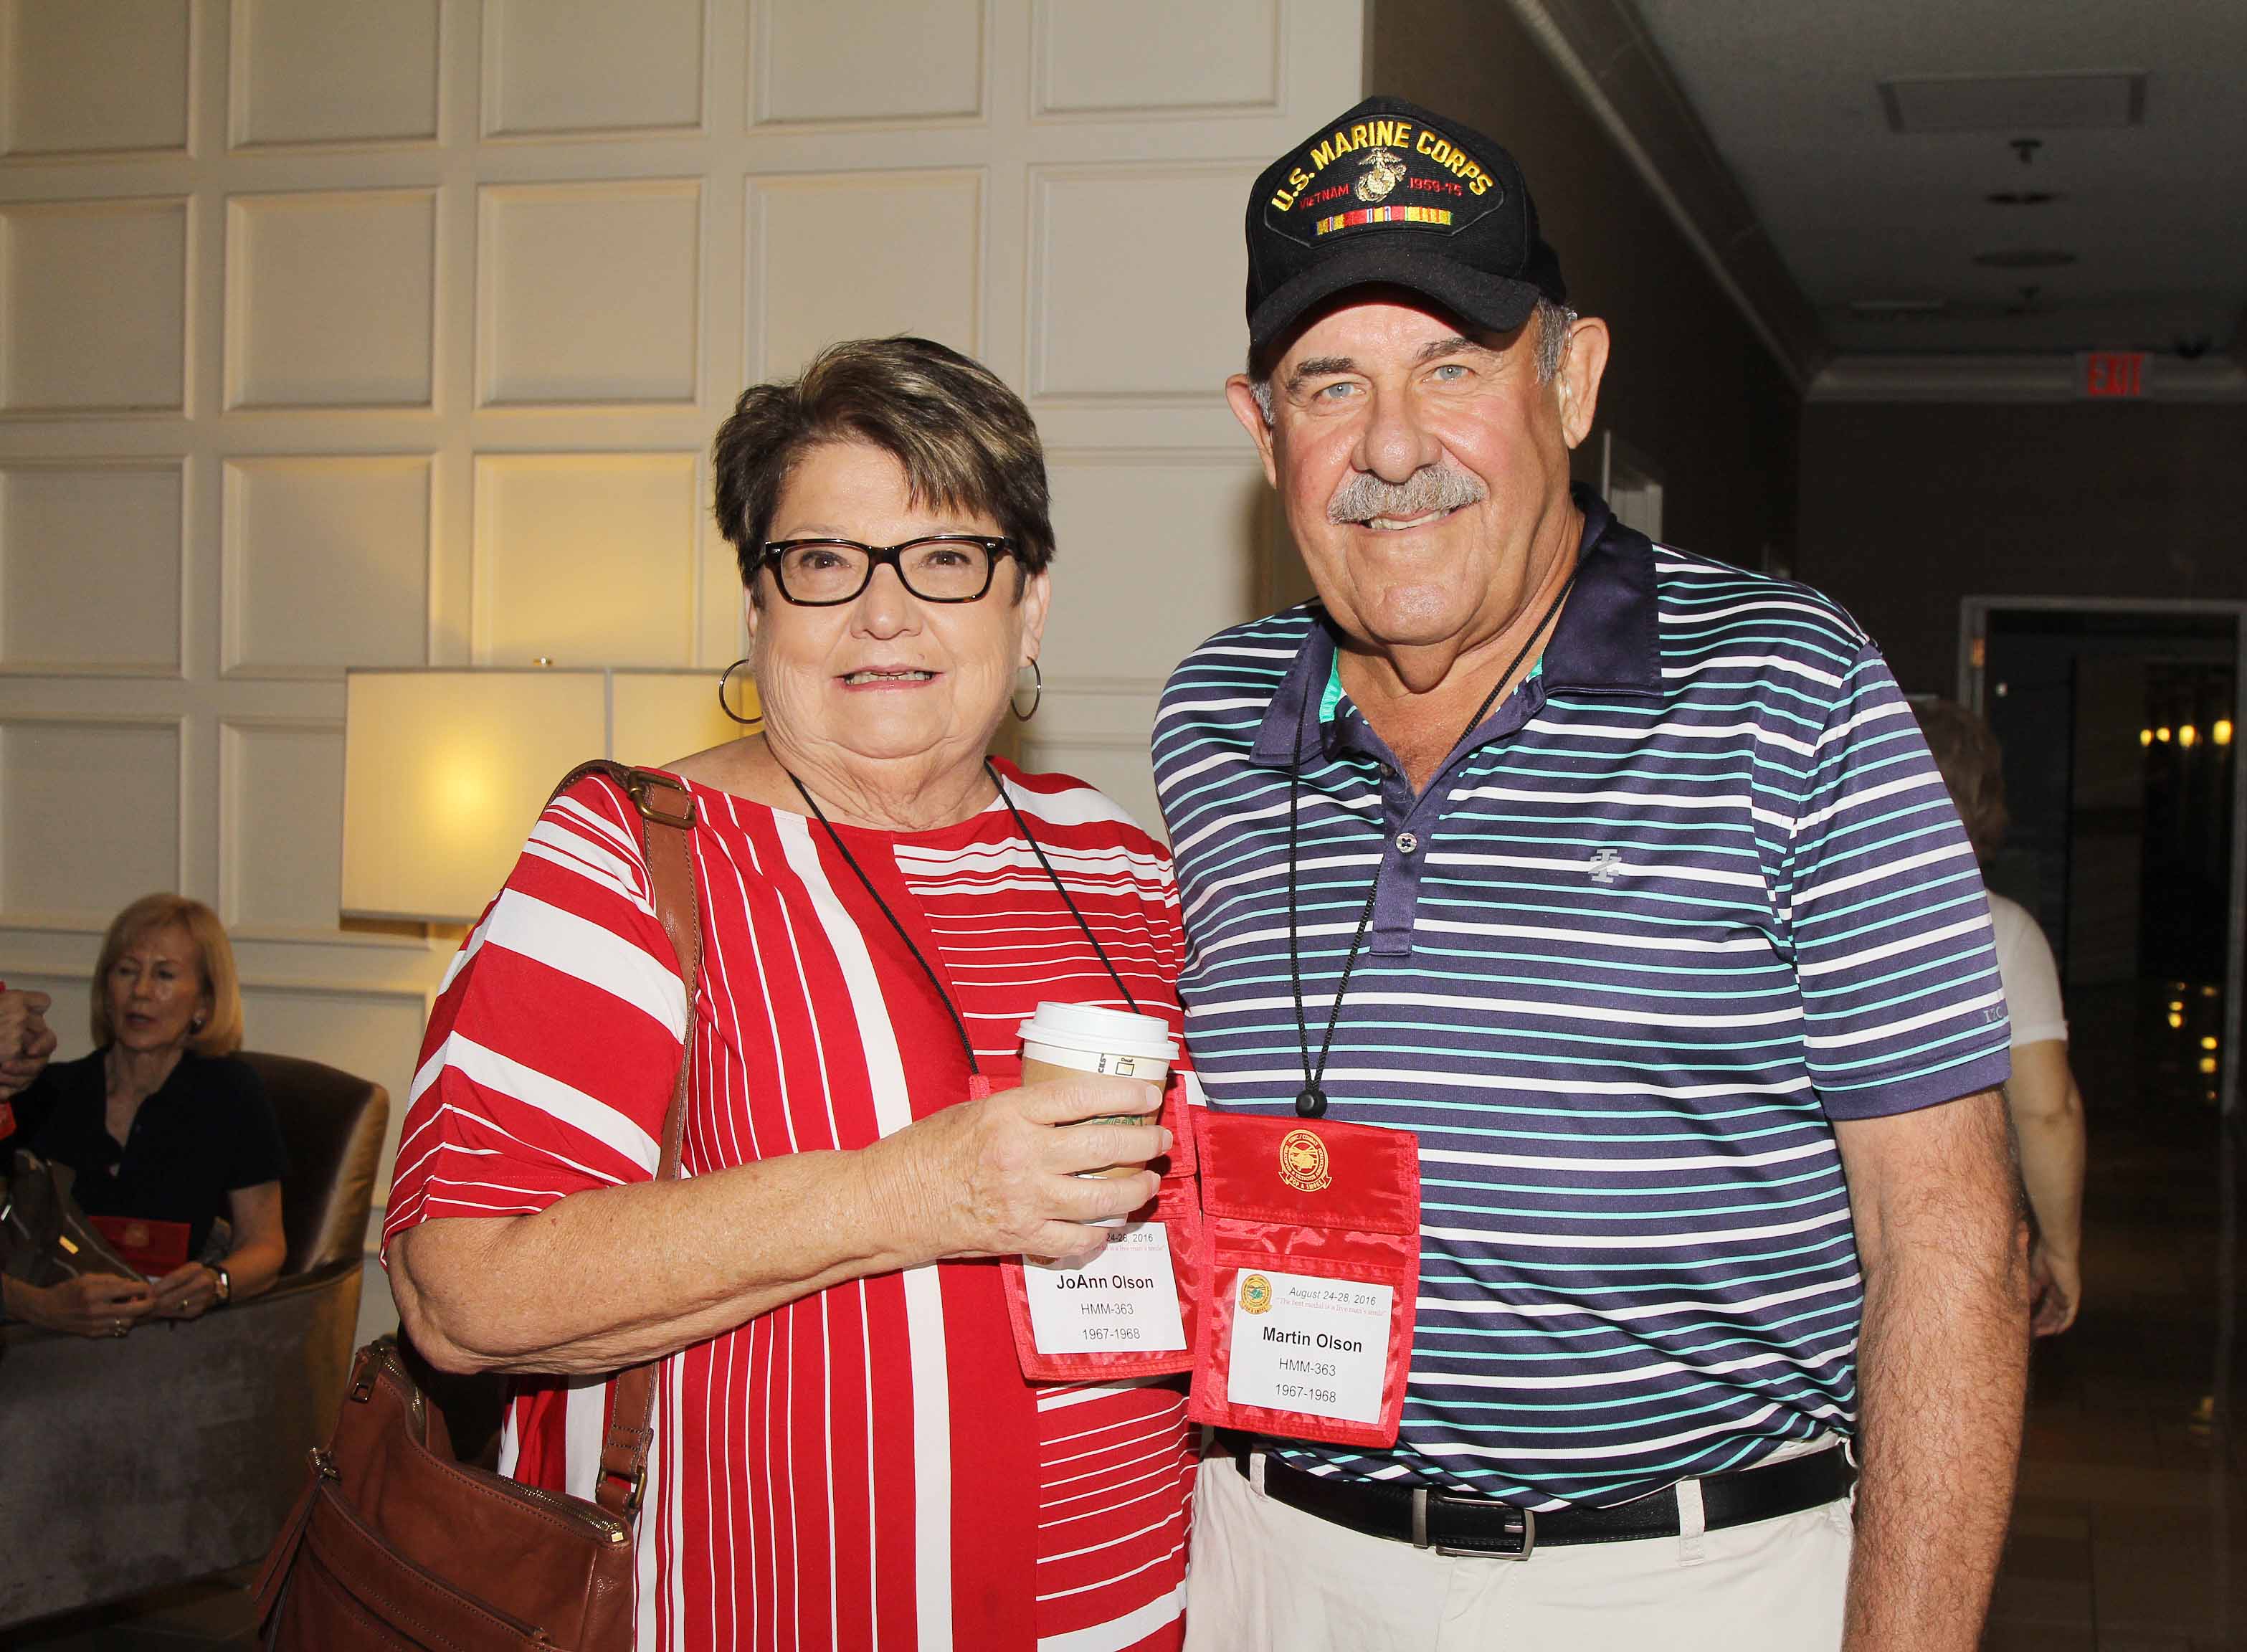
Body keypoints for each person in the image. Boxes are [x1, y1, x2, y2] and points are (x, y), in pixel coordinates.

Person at [1152, 97, 2028, 1651]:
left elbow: (1947, 1237)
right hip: (1276, 1566)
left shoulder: (1788, 689)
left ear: (1569, 380)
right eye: (1330, 383)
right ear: (1259, 424)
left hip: (1680, 1587)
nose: (1393, 447)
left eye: (1453, 366)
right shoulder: (1211, 720)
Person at [385, 336, 1197, 1650]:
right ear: (759, 608)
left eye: (947, 558)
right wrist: (914, 1193)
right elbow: (462, 1293)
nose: (885, 614)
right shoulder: (634, 853)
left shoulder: (1121, 864)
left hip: (1133, 1613)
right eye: (824, 562)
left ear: (1029, 605)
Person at [1, 895, 287, 1338]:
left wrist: (217, 1284)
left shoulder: (232, 1093)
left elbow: (265, 1245)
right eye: (127, 971)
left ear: (204, 1003)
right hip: (45, 1342)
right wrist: (41, 1307)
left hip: (173, 1342)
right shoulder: (43, 1091)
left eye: (165, 974)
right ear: (106, 992)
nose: (141, 991)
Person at [1916, 698, 2086, 1336]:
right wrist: (2061, 1249)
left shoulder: (1783, 919)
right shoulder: (2002, 933)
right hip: (1947, 1250)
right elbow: (2046, 1112)